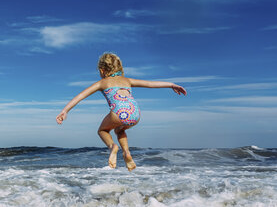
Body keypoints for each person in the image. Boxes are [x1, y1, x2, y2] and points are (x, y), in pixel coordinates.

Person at [56, 52, 187, 171]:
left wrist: (65, 110)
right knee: (120, 130)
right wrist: (171, 84)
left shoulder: (102, 82)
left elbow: (80, 96)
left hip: (118, 112)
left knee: (102, 130)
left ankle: (113, 147)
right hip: (135, 113)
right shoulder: (127, 80)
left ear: (102, 70)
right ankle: (126, 153)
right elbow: (150, 83)